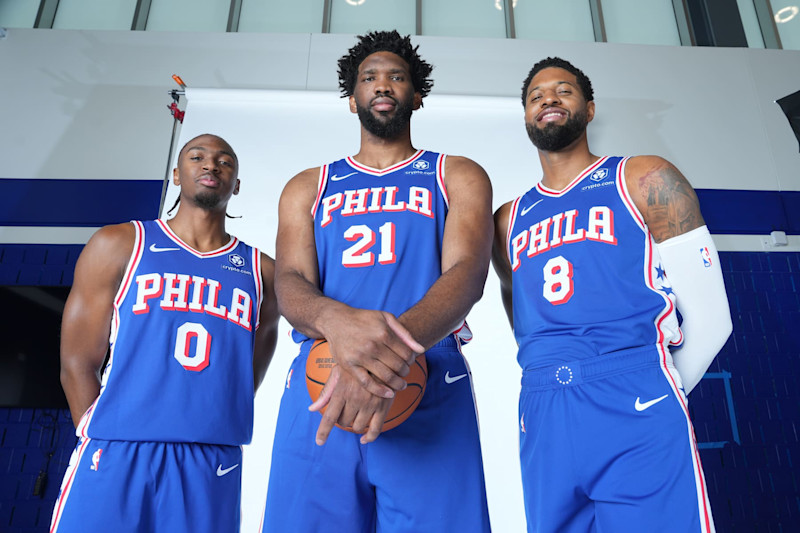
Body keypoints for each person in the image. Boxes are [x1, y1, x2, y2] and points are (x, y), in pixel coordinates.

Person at [261, 30, 493, 532]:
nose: (382, 84)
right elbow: (291, 281)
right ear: (352, 98)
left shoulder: (456, 173)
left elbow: (467, 276)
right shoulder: (308, 185)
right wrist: (337, 325)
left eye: (396, 76)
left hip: (424, 376)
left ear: (417, 94)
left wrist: (382, 358)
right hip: (323, 380)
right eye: (369, 77)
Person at [491, 57, 733, 533]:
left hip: (633, 386)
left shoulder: (644, 177)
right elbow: (523, 321)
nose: (549, 100)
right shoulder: (506, 220)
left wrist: (659, 389)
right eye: (536, 96)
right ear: (525, 116)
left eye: (563, 91)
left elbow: (713, 319)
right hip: (543, 406)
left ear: (591, 108)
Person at [50, 134, 280, 533]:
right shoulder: (120, 243)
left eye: (225, 161)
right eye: (198, 157)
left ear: (237, 184)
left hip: (211, 458)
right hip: (118, 448)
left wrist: (208, 416)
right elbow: (76, 361)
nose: (211, 165)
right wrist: (103, 432)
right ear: (177, 174)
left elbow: (247, 374)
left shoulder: (263, 272)